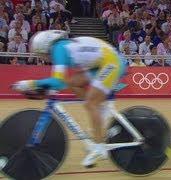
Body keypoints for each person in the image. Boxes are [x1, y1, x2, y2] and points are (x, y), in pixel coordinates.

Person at [12, 30, 127, 167]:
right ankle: (102, 117)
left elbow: (58, 82)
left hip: (111, 62)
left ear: (45, 47)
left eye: (40, 54)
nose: (41, 58)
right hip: (101, 63)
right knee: (73, 83)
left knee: (91, 104)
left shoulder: (58, 49)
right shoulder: (61, 46)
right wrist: (43, 88)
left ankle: (100, 147)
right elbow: (62, 82)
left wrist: (30, 83)